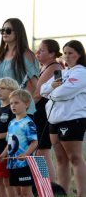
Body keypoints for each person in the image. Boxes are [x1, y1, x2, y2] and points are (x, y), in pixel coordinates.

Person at [40, 40, 86, 196]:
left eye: (71, 53)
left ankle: (82, 193)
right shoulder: (64, 72)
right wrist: (53, 88)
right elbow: (42, 90)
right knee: (60, 159)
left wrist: (52, 91)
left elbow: (62, 93)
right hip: (54, 120)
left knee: (75, 158)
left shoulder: (82, 72)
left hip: (72, 120)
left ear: (79, 54)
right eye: (65, 53)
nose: (67, 56)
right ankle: (62, 192)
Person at [0, 18, 39, 116]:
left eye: (8, 30)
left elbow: (34, 85)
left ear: (18, 32)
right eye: (2, 30)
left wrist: (19, 104)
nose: (4, 33)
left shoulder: (26, 55)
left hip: (18, 111)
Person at [32, 39, 63, 182]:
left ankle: (48, 184)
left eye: (42, 50)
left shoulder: (54, 67)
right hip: (40, 112)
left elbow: (38, 93)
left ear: (52, 54)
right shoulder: (44, 67)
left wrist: (23, 110)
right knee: (39, 151)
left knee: (42, 151)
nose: (37, 52)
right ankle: (42, 183)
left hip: (45, 114)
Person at [0, 89, 38, 197]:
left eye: (16, 103)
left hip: (24, 164)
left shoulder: (28, 123)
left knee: (26, 191)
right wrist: (3, 154)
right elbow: (10, 142)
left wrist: (26, 154)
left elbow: (34, 143)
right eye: (11, 103)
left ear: (26, 104)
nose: (13, 106)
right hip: (12, 164)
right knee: (18, 192)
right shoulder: (11, 123)